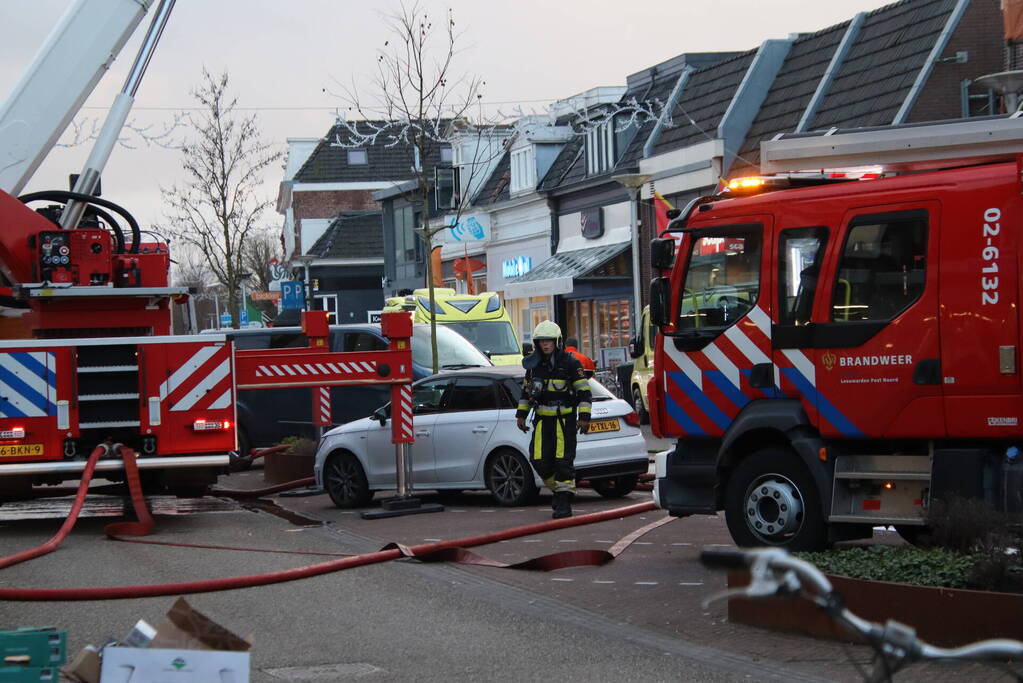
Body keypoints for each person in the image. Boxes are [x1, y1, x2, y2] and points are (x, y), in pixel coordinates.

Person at [515, 321, 591, 519]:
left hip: (563, 422)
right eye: (541, 341)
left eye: (549, 340)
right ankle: (559, 492)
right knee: (538, 459)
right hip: (541, 421)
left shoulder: (570, 363)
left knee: (563, 463)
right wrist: (521, 415)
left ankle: (564, 503)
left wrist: (584, 418)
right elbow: (526, 392)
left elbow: (584, 392)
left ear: (557, 341)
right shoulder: (533, 366)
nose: (545, 344)